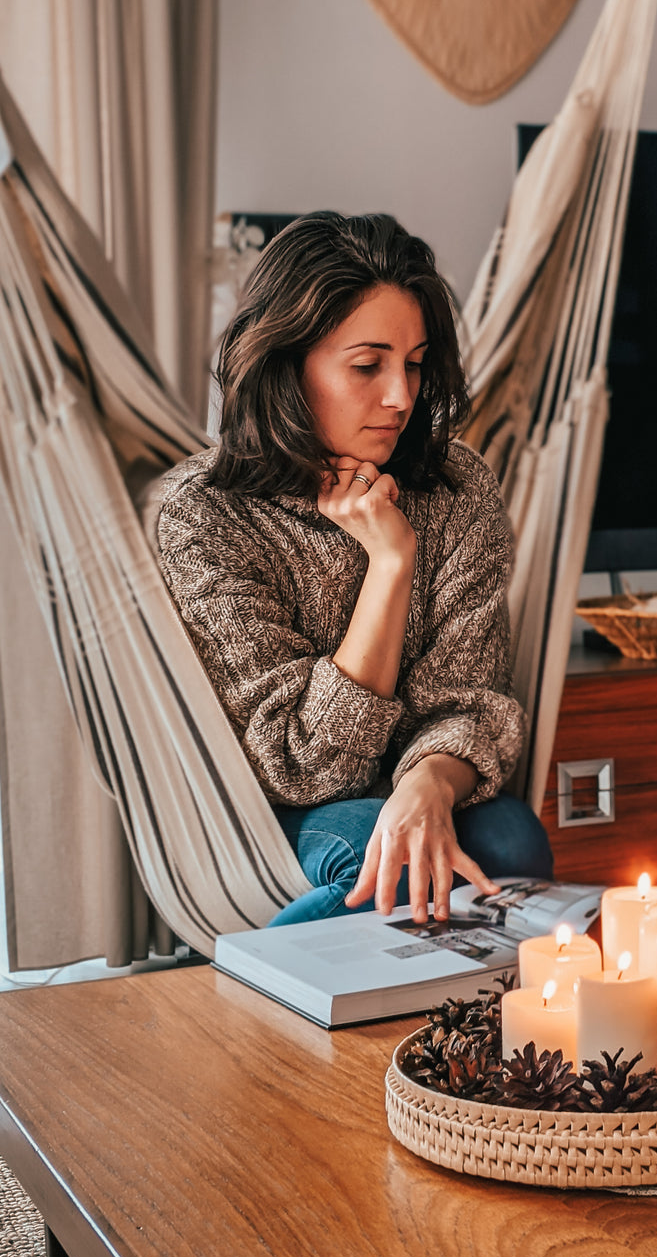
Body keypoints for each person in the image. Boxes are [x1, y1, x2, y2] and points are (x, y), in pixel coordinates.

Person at [152, 211, 552, 926]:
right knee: (385, 850)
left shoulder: (457, 487)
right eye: (368, 365)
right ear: (286, 364)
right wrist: (391, 562)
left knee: (513, 837)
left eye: (416, 363)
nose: (400, 396)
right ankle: (255, 1015)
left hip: (421, 785)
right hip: (282, 812)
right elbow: (302, 767)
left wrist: (429, 781)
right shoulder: (204, 517)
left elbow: (469, 702)